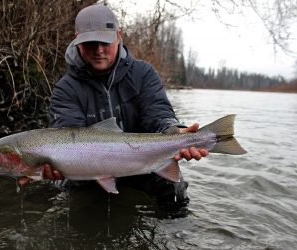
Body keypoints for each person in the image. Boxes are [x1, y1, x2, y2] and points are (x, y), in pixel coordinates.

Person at [20, 4, 208, 207]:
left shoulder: (143, 74)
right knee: (69, 194)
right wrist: (47, 168)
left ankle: (176, 230)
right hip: (88, 172)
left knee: (174, 192)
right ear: (77, 41)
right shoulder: (66, 88)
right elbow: (66, 136)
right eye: (91, 43)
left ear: (119, 35)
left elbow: (158, 114)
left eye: (105, 42)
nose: (99, 50)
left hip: (143, 163)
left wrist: (176, 131)